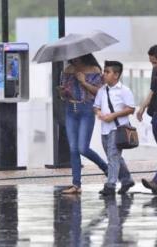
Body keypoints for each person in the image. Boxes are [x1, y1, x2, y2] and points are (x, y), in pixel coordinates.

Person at [60, 53, 109, 194]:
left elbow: (99, 92)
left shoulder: (94, 69)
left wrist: (83, 81)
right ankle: (76, 184)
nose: (75, 59)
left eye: (78, 57)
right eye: (73, 58)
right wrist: (63, 92)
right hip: (70, 109)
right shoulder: (68, 69)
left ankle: (105, 168)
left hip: (86, 109)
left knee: (83, 148)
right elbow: (64, 94)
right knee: (73, 148)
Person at [93, 61, 135, 196]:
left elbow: (131, 108)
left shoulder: (124, 90)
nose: (104, 74)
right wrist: (99, 113)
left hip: (118, 128)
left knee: (113, 156)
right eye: (104, 72)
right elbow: (96, 106)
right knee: (114, 156)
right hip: (105, 128)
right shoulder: (101, 90)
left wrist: (113, 115)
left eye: (107, 72)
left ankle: (110, 185)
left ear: (116, 75)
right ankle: (127, 179)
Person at [136, 45, 157, 194]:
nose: (153, 66)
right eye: (151, 62)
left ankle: (155, 182)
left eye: (155, 62)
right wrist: (143, 106)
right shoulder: (155, 71)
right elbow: (152, 90)